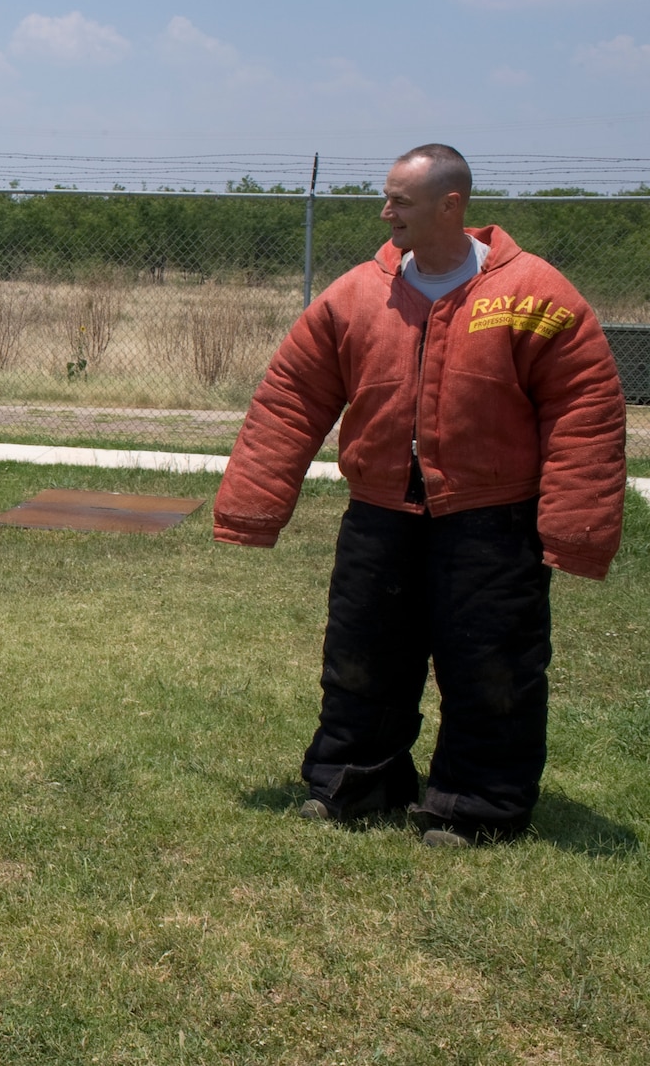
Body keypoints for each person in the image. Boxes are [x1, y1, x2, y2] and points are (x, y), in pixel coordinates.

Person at [213, 144, 626, 848]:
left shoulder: (535, 294)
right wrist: (253, 503)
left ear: (451, 205)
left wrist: (575, 527)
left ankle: (476, 805)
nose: (386, 211)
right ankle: (354, 782)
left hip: (493, 518)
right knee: (362, 654)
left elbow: (585, 406)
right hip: (380, 514)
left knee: (491, 664)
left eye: (401, 200)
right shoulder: (355, 296)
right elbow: (290, 398)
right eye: (387, 197)